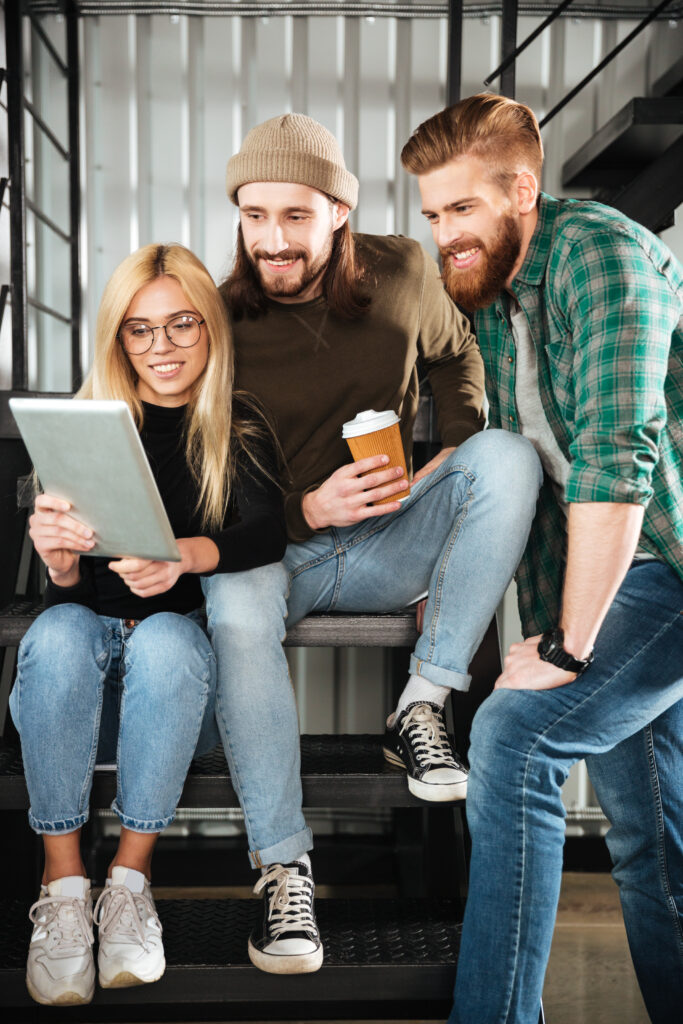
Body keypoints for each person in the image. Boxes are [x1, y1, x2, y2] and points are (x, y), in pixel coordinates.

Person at [199, 112, 543, 975]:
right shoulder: (216, 314)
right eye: (253, 217)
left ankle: (420, 704)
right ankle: (282, 869)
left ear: (340, 213)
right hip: (275, 553)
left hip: (390, 539)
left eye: (295, 217)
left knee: (508, 459)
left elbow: (457, 357)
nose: (271, 242)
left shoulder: (400, 271)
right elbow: (197, 484)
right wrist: (302, 511)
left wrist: (446, 455)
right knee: (235, 607)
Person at [401, 92, 683, 1024]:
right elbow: (504, 448)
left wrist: (566, 644)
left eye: (461, 209)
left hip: (669, 557)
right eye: (433, 213)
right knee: (647, 832)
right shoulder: (486, 286)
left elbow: (615, 456)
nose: (444, 234)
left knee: (514, 740)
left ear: (521, 189)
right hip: (615, 567)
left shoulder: (600, 257)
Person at [10, 243, 286, 1006]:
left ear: (211, 330)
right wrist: (59, 562)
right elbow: (66, 587)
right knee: (55, 633)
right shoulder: (84, 425)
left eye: (181, 325)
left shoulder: (239, 423)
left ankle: (129, 883)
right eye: (139, 330)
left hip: (173, 697)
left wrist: (180, 561)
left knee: (166, 638)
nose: (161, 348)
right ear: (117, 337)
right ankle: (64, 887)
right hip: (75, 700)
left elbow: (267, 534)